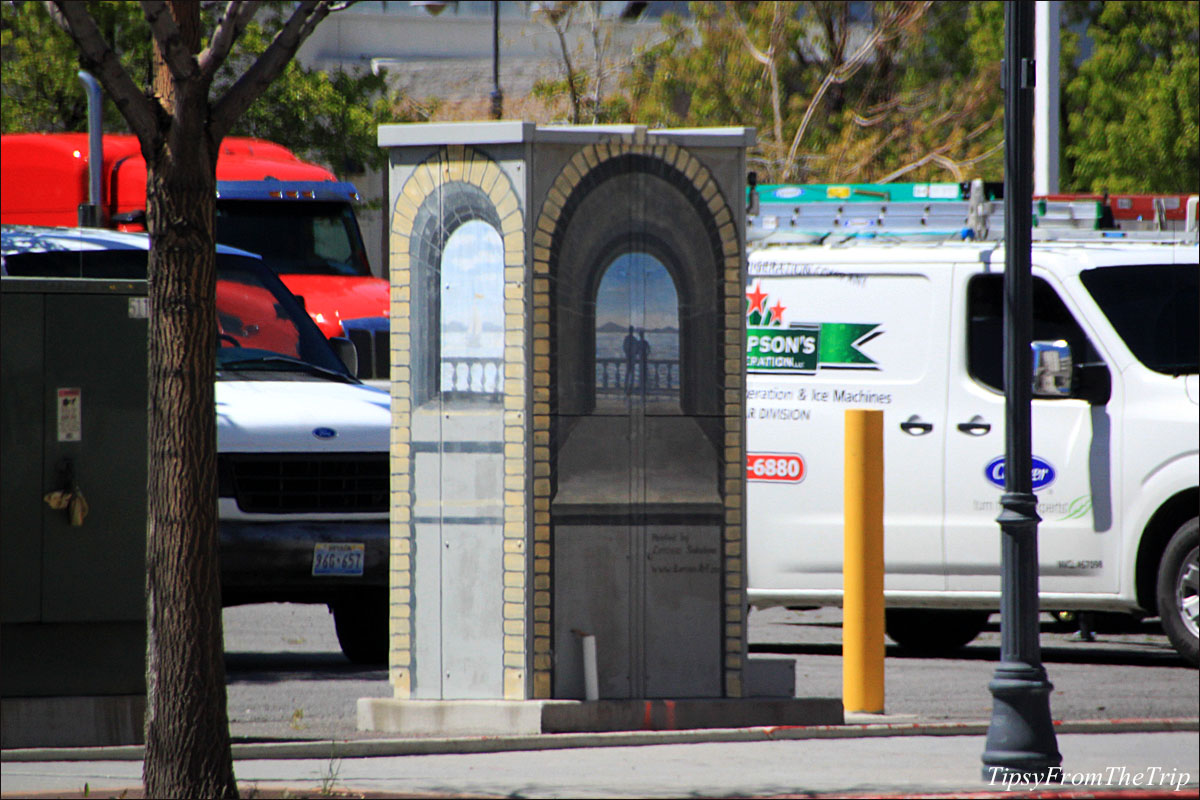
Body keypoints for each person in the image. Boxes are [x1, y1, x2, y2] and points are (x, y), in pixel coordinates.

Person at [622, 325, 637, 394]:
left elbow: (636, 348)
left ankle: (631, 387)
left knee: (632, 373)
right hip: (628, 358)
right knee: (628, 373)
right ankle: (626, 387)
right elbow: (624, 347)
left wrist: (634, 354)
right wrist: (628, 353)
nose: (631, 331)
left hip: (632, 358)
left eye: (632, 330)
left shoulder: (634, 339)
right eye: (630, 330)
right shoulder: (627, 339)